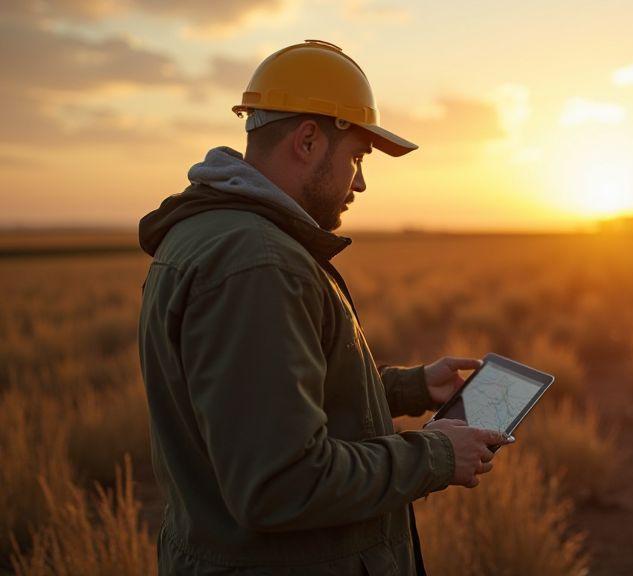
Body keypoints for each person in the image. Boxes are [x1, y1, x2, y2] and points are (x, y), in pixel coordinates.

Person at [137, 39, 513, 576]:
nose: (360, 182)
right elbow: (281, 482)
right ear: (309, 140)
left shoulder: (214, 235)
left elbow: (261, 404)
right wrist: (432, 455)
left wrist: (408, 388)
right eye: (357, 158)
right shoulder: (258, 263)